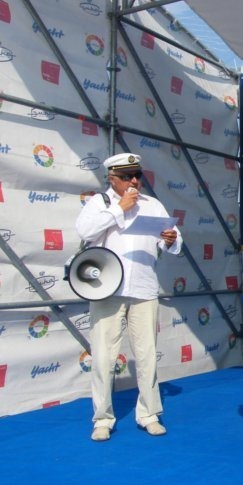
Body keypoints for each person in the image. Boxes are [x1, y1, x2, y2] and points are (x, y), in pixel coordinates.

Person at [75, 152, 182, 442]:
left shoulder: (152, 204)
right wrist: (119, 209)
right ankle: (102, 418)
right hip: (106, 291)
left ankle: (149, 414)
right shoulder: (100, 203)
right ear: (112, 178)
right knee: (103, 357)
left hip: (144, 289)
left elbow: (174, 239)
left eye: (137, 175)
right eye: (126, 177)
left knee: (147, 356)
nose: (134, 181)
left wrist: (170, 240)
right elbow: (84, 231)